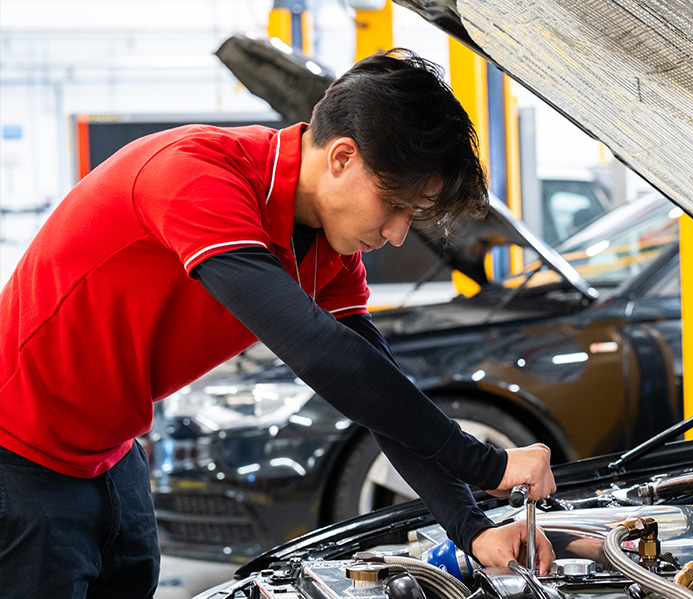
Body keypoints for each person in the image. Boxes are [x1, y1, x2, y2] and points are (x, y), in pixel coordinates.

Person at [0, 48, 556, 598]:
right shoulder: (195, 176)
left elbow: (375, 391)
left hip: (113, 454)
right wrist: (486, 462)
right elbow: (320, 355)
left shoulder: (327, 249)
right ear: (341, 158)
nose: (396, 234)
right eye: (397, 205)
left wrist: (473, 528)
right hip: (18, 454)